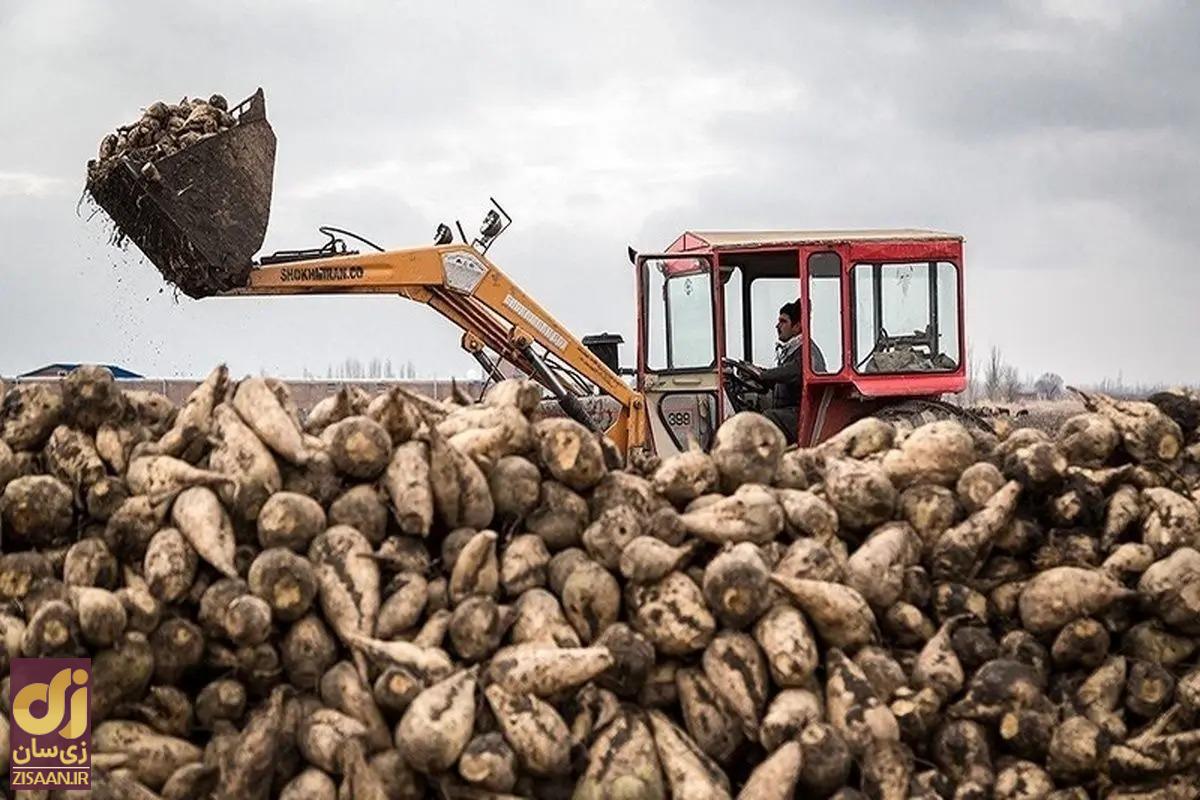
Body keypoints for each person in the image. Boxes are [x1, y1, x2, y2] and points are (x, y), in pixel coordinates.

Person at [734, 299, 825, 442]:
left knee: (765, 419)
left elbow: (790, 372)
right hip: (791, 411)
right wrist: (754, 372)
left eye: (783, 322)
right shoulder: (792, 351)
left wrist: (761, 374)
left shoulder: (806, 353)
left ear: (797, 326)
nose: (777, 326)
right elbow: (781, 377)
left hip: (801, 413)